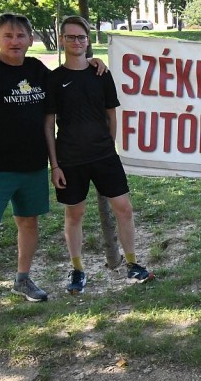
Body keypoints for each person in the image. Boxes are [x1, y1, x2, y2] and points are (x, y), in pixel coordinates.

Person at [0, 13, 105, 338]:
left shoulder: (37, 71)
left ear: (30, 40)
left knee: (28, 222)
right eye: (8, 35)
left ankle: (23, 279)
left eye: (21, 36)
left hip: (32, 166)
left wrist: (94, 63)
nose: (15, 41)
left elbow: (67, 79)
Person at [44, 16, 153, 295]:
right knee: (75, 213)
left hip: (104, 155)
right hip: (70, 158)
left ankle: (132, 264)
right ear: (62, 40)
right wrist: (54, 165)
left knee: (124, 208)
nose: (76, 41)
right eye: (70, 37)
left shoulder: (101, 74)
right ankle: (77, 269)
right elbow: (48, 123)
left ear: (88, 40)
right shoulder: (54, 79)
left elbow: (111, 115)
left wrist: (109, 147)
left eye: (81, 37)